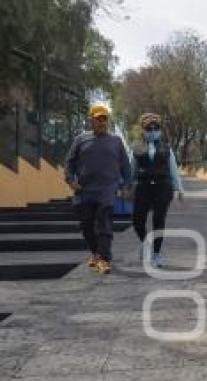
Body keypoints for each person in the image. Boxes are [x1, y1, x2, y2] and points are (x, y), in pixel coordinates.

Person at [64, 102, 131, 275]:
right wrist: (71, 181)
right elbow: (69, 162)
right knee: (86, 225)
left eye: (104, 119)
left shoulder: (116, 141)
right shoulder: (81, 140)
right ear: (91, 121)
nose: (102, 122)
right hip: (85, 190)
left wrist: (125, 186)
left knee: (103, 223)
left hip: (107, 189)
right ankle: (96, 254)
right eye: (98, 119)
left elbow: (126, 166)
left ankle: (104, 259)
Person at [131, 113, 184, 268]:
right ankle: (145, 242)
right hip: (143, 187)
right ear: (143, 130)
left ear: (160, 130)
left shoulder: (167, 148)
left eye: (156, 128)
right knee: (137, 220)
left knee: (158, 220)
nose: (153, 130)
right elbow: (132, 170)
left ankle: (156, 254)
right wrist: (126, 187)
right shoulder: (136, 148)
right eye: (149, 128)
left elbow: (173, 170)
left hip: (163, 187)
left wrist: (179, 189)